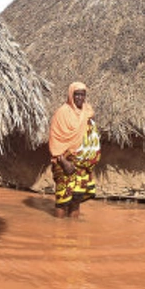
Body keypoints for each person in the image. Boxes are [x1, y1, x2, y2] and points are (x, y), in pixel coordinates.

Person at [48, 82, 101, 218]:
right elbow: (55, 140)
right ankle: (58, 232)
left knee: (76, 200)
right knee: (62, 201)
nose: (79, 98)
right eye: (76, 94)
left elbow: (91, 136)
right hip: (64, 162)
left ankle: (73, 233)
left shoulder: (88, 112)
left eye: (82, 94)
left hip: (81, 165)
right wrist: (64, 161)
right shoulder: (62, 113)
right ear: (71, 95)